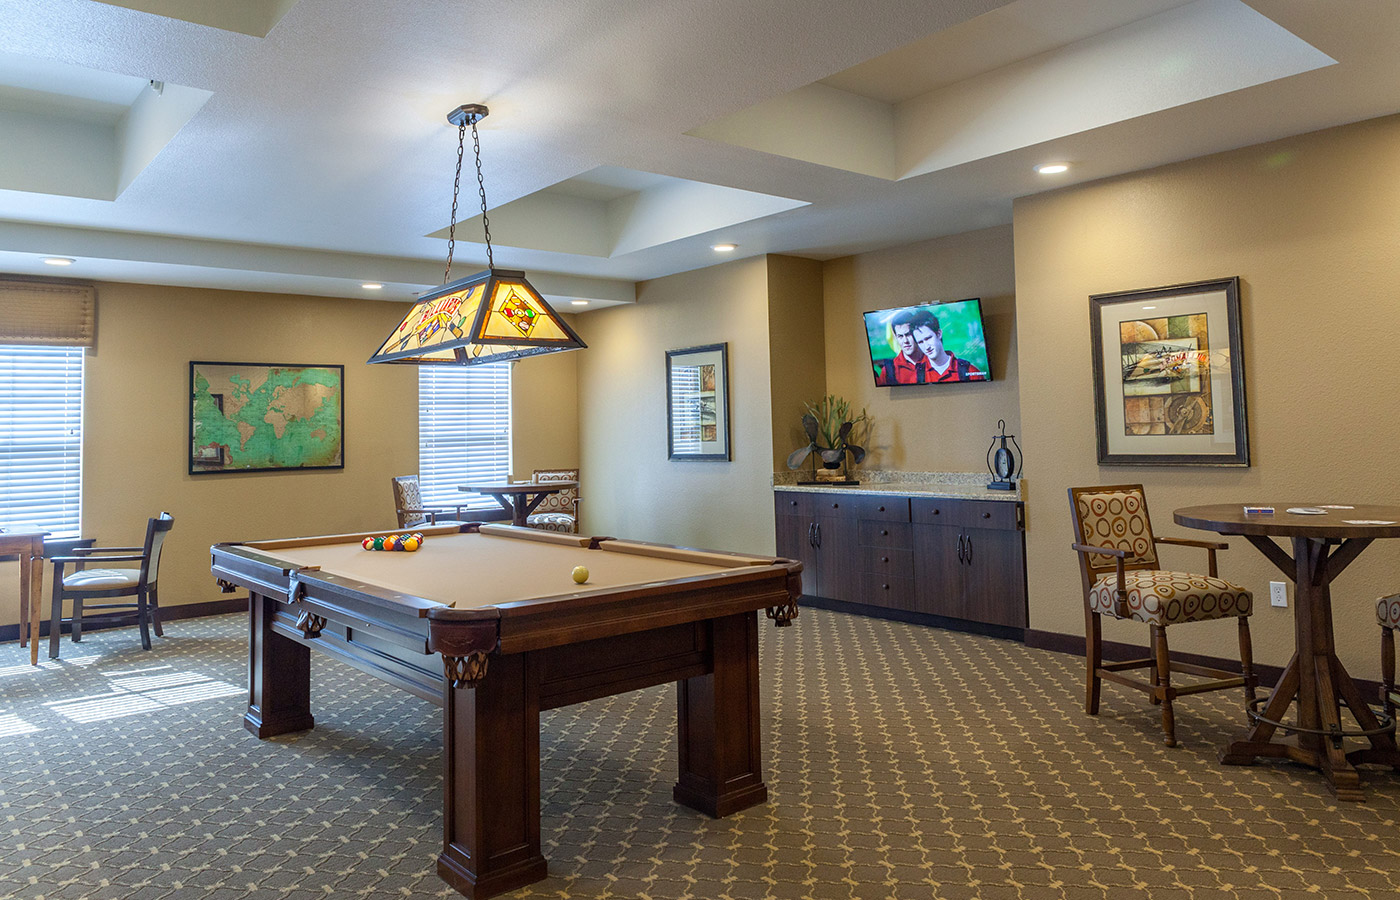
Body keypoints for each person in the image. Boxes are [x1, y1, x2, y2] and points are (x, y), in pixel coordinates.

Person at [912, 313, 986, 383]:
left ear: (939, 334)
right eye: (920, 342)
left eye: (928, 338)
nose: (926, 346)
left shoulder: (970, 371)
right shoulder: (916, 377)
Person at [873, 309, 933, 384]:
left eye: (908, 334)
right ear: (895, 337)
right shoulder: (888, 371)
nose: (905, 341)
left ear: (916, 332)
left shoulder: (934, 361)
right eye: (900, 336)